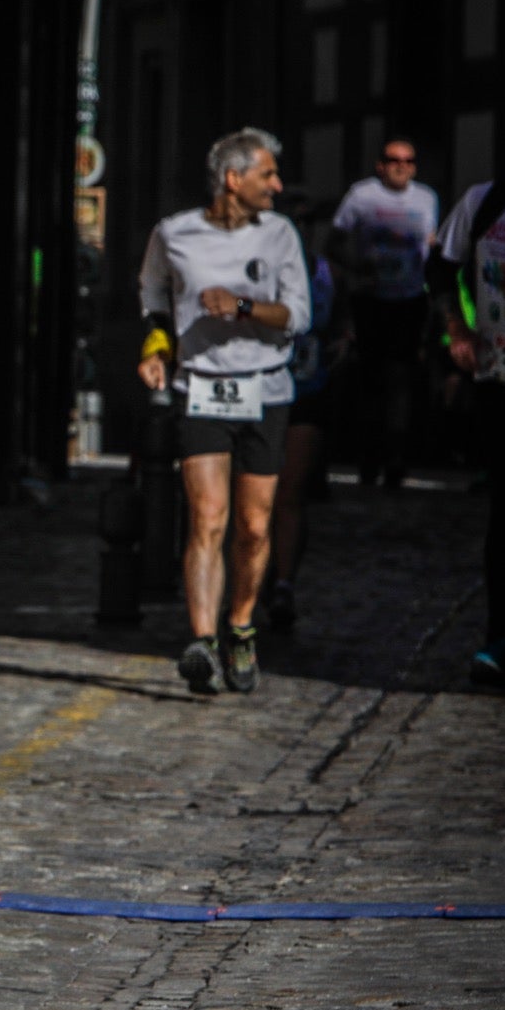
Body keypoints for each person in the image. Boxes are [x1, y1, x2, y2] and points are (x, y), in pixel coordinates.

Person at [138, 127, 311, 695]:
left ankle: (240, 626)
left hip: (265, 387)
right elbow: (154, 299)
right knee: (207, 517)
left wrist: (240, 307)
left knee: (254, 525)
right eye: (268, 175)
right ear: (233, 180)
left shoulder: (280, 235)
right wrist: (156, 349)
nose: (277, 186)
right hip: (202, 388)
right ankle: (201, 643)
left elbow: (297, 315)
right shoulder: (174, 233)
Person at [427, 172, 505, 689]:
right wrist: (454, 328)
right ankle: (501, 635)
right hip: (501, 380)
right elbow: (439, 269)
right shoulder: (486, 202)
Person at [328, 139, 440, 488]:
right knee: (371, 380)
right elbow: (334, 242)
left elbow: (431, 242)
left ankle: (396, 457)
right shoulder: (362, 196)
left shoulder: (426, 198)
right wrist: (355, 270)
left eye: (408, 160)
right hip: (371, 298)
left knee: (401, 378)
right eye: (393, 160)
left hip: (408, 298)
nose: (401, 166)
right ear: (380, 165)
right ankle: (368, 456)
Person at [267, 199, 338, 631]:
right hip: (257, 391)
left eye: (306, 225)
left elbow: (341, 322)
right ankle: (250, 578)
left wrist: (342, 342)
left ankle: (283, 585)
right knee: (253, 497)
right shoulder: (255, 267)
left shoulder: (327, 274)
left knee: (290, 493)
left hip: (306, 391)